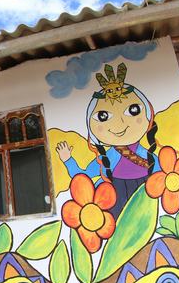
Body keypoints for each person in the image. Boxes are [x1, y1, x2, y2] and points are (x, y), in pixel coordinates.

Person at [56, 63, 160, 220]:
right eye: (103, 116)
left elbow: (162, 177)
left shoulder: (149, 156)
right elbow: (83, 179)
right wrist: (68, 160)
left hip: (145, 199)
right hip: (116, 201)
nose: (120, 123)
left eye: (133, 110)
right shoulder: (106, 158)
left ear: (148, 116)